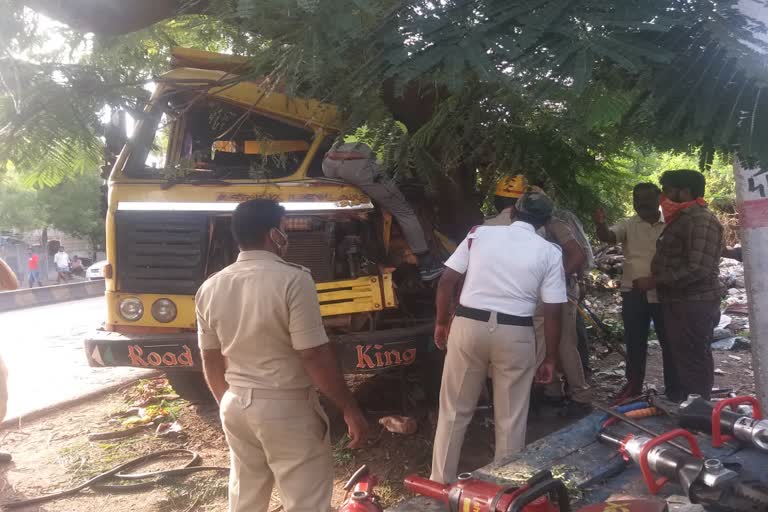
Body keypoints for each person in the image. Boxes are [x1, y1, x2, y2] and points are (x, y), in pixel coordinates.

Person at [195, 199, 369, 512]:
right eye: (285, 228)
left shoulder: (210, 287)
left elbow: (210, 358)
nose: (287, 235)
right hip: (285, 407)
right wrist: (349, 407)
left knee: (245, 497)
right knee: (306, 502)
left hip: (234, 403)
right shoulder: (293, 279)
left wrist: (228, 404)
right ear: (273, 234)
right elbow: (313, 354)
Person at [430, 190, 566, 484]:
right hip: (516, 333)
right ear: (544, 223)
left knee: (454, 410)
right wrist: (551, 358)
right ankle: (503, 488)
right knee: (511, 418)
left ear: (513, 213)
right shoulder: (550, 252)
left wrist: (442, 322)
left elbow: (446, 281)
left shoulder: (478, 235)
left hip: (468, 326)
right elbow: (554, 312)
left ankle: (439, 483)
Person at [635, 170, 725, 402]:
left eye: (667, 190)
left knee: (694, 356)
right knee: (684, 355)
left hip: (694, 302)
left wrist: (655, 281)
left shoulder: (701, 220)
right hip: (679, 301)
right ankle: (688, 405)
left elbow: (699, 268)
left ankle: (699, 410)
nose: (663, 196)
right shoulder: (685, 218)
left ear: (684, 191)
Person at [322, 142, 444, 281]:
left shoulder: (350, 125)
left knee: (353, 206)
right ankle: (427, 264)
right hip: (358, 166)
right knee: (404, 212)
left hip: (329, 163)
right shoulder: (396, 128)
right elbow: (397, 165)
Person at [594, 183, 670, 400]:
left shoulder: (672, 223)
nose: (641, 203)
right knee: (635, 342)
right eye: (637, 199)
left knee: (669, 342)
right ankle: (633, 385)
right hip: (633, 292)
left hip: (664, 291)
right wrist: (600, 224)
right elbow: (608, 236)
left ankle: (674, 388)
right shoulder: (628, 224)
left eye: (646, 198)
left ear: (659, 198)